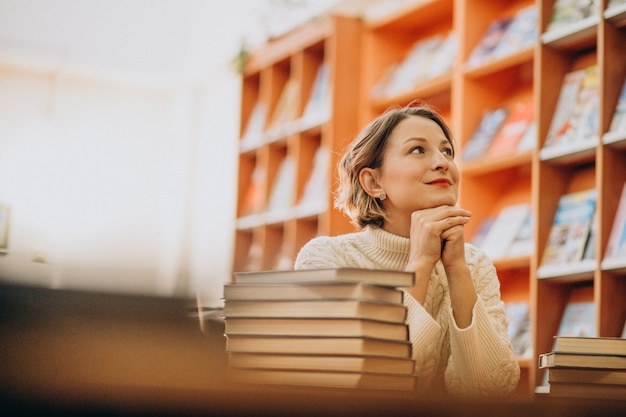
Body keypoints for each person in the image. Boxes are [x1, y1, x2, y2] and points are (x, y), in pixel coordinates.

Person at [294, 102, 520, 398]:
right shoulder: (326, 260)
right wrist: (420, 264)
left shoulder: (474, 264)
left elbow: (492, 393)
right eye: (418, 150)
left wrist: (457, 270)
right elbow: (365, 385)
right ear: (373, 182)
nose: (443, 163)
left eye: (447, 151)